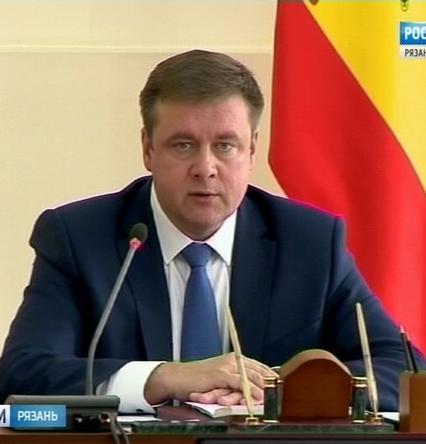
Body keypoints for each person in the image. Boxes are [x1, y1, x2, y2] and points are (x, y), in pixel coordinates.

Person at [0, 50, 422, 413]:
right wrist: (164, 377)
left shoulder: (308, 243)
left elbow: (406, 371)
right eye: (183, 145)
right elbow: (22, 371)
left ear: (251, 150)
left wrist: (278, 390)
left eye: (225, 145)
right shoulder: (79, 238)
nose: (205, 168)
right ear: (148, 149)